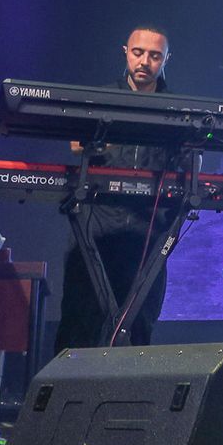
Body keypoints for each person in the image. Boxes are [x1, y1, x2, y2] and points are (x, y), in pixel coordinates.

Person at [53, 25, 176, 352]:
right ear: (126, 52)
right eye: (138, 53)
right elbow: (77, 145)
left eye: (154, 56)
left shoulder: (178, 109)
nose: (145, 62)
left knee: (139, 327)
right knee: (80, 323)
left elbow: (188, 168)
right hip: (96, 230)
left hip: (145, 235)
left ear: (165, 60)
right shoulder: (99, 100)